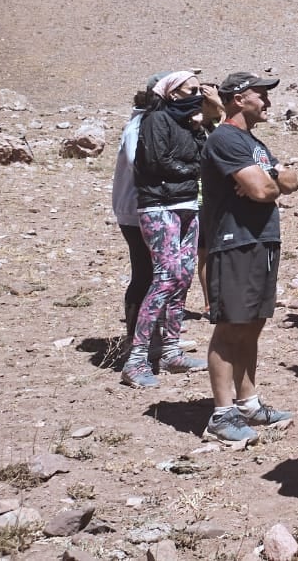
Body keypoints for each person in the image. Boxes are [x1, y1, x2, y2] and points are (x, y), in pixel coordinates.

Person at [198, 72, 298, 445]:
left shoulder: (252, 143)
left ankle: (248, 403)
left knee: (253, 323)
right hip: (234, 241)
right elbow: (261, 190)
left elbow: (291, 181)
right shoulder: (225, 139)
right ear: (239, 99)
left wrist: (270, 175)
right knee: (230, 327)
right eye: (261, 95)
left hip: (261, 240)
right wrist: (269, 179)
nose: (268, 102)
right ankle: (222, 415)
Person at [122, 71, 212, 387]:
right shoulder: (154, 121)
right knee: (165, 276)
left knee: (184, 276)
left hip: (186, 205)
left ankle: (171, 350)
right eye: (193, 89)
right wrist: (194, 173)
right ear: (173, 93)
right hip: (159, 207)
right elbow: (158, 163)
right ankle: (136, 359)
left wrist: (201, 127)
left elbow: (205, 157)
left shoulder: (190, 124)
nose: (199, 94)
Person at [112, 75, 162, 346]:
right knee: (144, 273)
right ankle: (137, 337)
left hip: (149, 208)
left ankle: (152, 334)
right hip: (137, 210)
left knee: (157, 273)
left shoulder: (150, 123)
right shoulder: (139, 126)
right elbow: (139, 165)